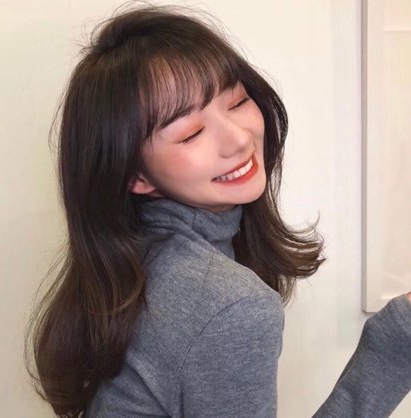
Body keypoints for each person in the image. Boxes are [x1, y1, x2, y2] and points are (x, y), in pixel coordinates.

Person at [24, 3, 411, 417]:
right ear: (135, 174)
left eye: (237, 102)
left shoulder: (131, 259)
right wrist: (392, 346)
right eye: (191, 133)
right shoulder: (227, 304)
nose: (239, 139)